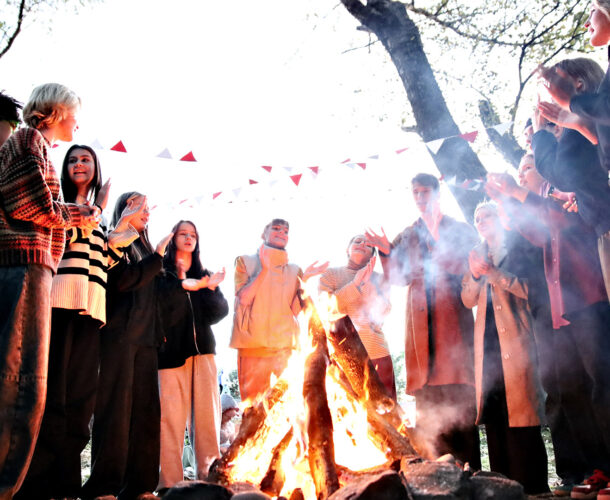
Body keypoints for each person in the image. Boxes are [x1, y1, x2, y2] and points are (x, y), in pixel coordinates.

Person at [13, 146, 145, 500]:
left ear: (96, 168)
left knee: (81, 400)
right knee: (52, 396)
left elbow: (104, 261)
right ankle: (37, 483)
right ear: (64, 168)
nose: (79, 164)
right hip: (58, 303)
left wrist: (122, 229)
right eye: (73, 159)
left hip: (91, 309)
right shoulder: (58, 206)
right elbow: (59, 240)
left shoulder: (97, 219)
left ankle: (66, 484)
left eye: (86, 159)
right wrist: (95, 210)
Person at [0, 83, 99, 500]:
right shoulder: (28, 140)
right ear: (57, 111)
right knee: (21, 380)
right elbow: (30, 206)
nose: (78, 121)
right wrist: (83, 213)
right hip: (24, 265)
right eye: (75, 112)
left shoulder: (34, 145)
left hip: (33, 266)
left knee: (25, 381)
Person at [488, 170, 610, 500]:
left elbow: (561, 222)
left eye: (529, 167)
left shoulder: (567, 196)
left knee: (601, 386)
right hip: (558, 313)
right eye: (521, 169)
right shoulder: (533, 209)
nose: (522, 174)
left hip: (587, 302)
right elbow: (536, 235)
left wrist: (515, 192)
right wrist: (504, 199)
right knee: (570, 393)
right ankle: (596, 470)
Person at [366, 173, 481, 468]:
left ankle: (469, 469)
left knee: (459, 395)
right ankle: (437, 472)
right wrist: (386, 250)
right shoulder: (408, 234)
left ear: (437, 193)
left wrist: (439, 244)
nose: (420, 197)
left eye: (425, 192)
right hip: (419, 323)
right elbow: (398, 277)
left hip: (451, 317)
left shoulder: (458, 228)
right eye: (415, 192)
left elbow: (469, 264)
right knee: (429, 404)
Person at [81, 192, 172, 500]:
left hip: (147, 340)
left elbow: (154, 295)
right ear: (123, 208)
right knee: (115, 414)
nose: (145, 212)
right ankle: (104, 487)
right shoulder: (115, 240)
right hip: (118, 337)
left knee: (146, 415)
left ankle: (140, 487)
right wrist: (157, 258)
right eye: (137, 206)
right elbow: (123, 281)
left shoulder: (146, 246)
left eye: (148, 207)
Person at [461, 202, 548, 495]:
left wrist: (495, 273)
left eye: (487, 215)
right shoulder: (475, 254)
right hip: (487, 348)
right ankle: (502, 489)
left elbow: (530, 290)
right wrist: (475, 274)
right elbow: (467, 299)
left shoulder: (518, 247)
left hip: (518, 341)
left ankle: (533, 487)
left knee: (522, 415)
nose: (482, 221)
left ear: (500, 219)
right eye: (477, 217)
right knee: (495, 414)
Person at [157, 220, 229, 492]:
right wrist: (182, 285)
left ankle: (210, 481)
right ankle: (168, 486)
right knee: (169, 422)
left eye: (193, 235)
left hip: (205, 356)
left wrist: (208, 288)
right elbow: (162, 310)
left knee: (208, 422)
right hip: (169, 356)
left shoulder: (204, 273)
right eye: (183, 233)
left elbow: (218, 313)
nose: (189, 238)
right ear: (173, 237)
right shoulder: (161, 274)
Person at [229, 218, 328, 402]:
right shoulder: (244, 261)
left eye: (285, 231)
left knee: (285, 409)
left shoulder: (295, 270)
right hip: (253, 347)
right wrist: (265, 270)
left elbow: (294, 311)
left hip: (284, 349)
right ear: (263, 234)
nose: (281, 233)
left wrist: (305, 279)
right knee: (253, 409)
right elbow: (243, 299)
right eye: (276, 229)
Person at [537, 57, 610, 299]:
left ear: (578, 84)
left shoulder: (580, 121)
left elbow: (564, 176)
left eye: (553, 85)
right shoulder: (590, 119)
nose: (550, 97)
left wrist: (540, 135)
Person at [319, 234, 396, 399]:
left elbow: (382, 313)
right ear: (348, 249)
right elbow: (327, 311)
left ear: (372, 255)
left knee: (387, 415)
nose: (362, 244)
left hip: (377, 353)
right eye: (357, 241)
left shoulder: (380, 279)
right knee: (349, 416)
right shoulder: (330, 275)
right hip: (342, 356)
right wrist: (354, 285)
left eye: (368, 244)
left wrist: (366, 284)